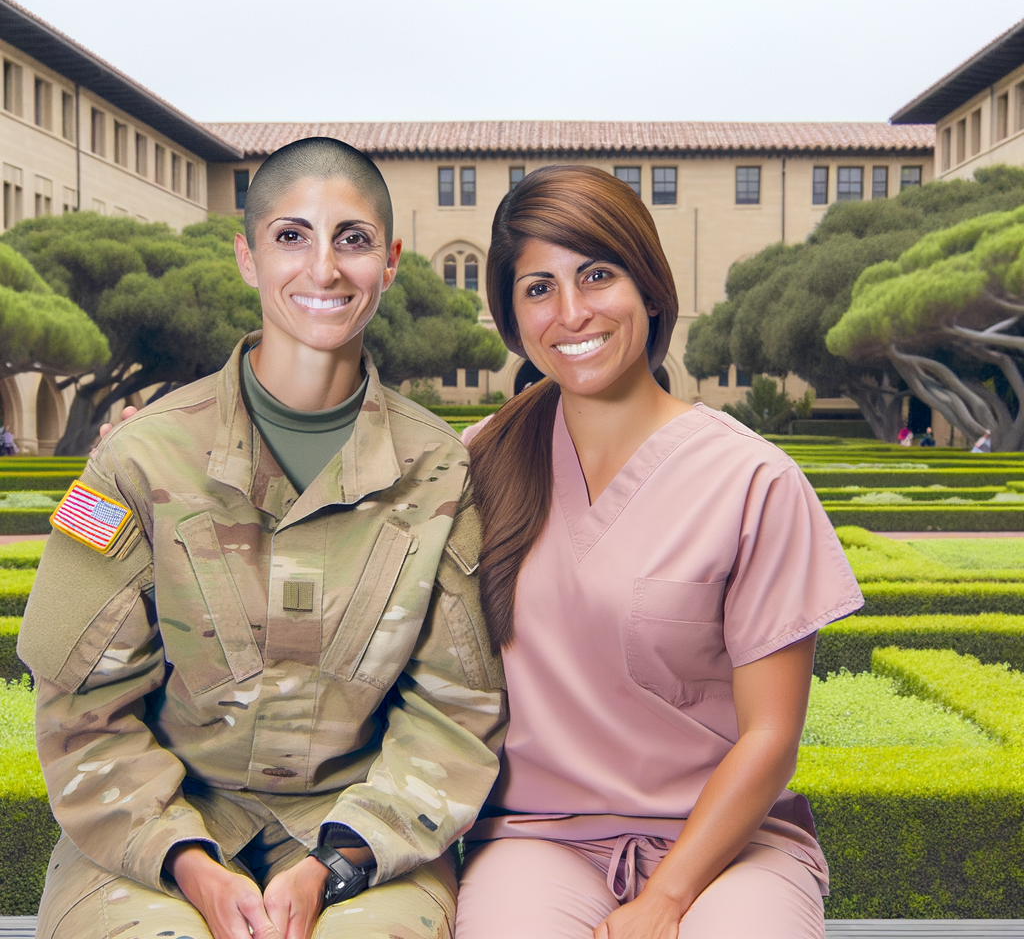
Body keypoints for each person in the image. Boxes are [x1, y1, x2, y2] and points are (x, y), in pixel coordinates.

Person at [18, 137, 506, 939]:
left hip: (361, 841)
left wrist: (337, 863)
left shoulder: (439, 473)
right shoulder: (133, 460)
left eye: (352, 239)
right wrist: (188, 862)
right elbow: (82, 709)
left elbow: (453, 714)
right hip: (151, 841)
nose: (323, 269)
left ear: (390, 263)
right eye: (291, 237)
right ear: (247, 258)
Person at [455, 166, 863, 939]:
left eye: (597, 275)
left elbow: (770, 735)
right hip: (537, 836)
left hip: (728, 842)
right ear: (511, 316)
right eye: (538, 288)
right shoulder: (477, 462)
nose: (571, 312)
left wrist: (667, 900)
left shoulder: (753, 480)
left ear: (648, 286)